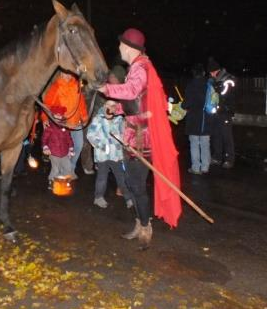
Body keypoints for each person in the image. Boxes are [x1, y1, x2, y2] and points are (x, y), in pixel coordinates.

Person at [98, 28, 181, 249]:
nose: (118, 48)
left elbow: (132, 90)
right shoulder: (139, 67)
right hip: (132, 136)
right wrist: (115, 108)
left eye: (121, 45)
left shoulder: (141, 68)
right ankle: (139, 222)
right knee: (132, 184)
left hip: (139, 139)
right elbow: (134, 105)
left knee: (136, 185)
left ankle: (146, 227)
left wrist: (106, 88)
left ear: (129, 47)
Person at [41, 71, 88, 177]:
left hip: (76, 123)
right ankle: (64, 171)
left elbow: (81, 103)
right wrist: (44, 118)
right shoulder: (56, 87)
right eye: (64, 73)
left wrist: (84, 117)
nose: (67, 75)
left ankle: (70, 168)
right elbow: (47, 105)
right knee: (62, 148)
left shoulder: (76, 85)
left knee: (78, 146)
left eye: (69, 73)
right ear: (61, 73)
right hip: (62, 124)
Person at [86, 99, 132, 209]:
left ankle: (129, 198)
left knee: (121, 177)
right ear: (104, 106)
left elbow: (124, 135)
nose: (110, 107)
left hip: (116, 154)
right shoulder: (98, 119)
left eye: (113, 105)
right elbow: (90, 135)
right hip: (102, 155)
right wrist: (102, 146)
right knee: (102, 177)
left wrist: (125, 141)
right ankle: (98, 198)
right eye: (108, 105)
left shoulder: (119, 119)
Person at [181, 63, 212, 174]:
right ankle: (205, 167)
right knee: (205, 143)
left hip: (193, 118)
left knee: (194, 143)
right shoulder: (208, 85)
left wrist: (182, 105)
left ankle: (196, 167)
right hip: (206, 118)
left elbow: (186, 104)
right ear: (203, 73)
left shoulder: (191, 85)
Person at [207, 57, 236, 169]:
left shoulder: (228, 80)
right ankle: (217, 157)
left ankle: (229, 159)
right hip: (217, 112)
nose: (211, 75)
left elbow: (224, 94)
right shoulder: (215, 80)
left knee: (226, 136)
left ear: (215, 71)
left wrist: (216, 87)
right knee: (216, 135)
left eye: (211, 72)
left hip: (225, 112)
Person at [41, 105, 75, 189]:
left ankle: (65, 182)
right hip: (54, 153)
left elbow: (69, 139)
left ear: (62, 116)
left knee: (68, 168)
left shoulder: (65, 127)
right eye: (56, 115)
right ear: (52, 116)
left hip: (65, 153)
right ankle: (51, 181)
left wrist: (71, 148)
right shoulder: (49, 128)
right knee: (55, 169)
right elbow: (44, 139)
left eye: (60, 115)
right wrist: (45, 147)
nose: (58, 116)